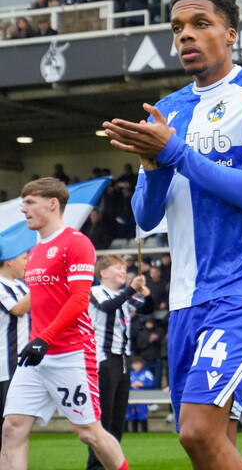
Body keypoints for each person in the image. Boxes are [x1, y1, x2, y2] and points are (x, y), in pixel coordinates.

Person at [102, 0, 242, 470]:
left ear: (230, 35)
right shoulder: (169, 109)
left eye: (199, 25)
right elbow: (147, 217)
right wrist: (152, 163)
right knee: (214, 440)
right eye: (177, 28)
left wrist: (176, 152)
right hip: (187, 295)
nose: (185, 36)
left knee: (196, 432)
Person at [2, 178, 130, 470]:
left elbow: (79, 299)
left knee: (89, 432)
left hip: (71, 352)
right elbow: (40, 301)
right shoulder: (33, 253)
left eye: (30, 202)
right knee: (12, 427)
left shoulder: (76, 243)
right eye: (23, 203)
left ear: (53, 204)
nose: (23, 209)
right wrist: (39, 339)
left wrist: (44, 337)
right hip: (35, 355)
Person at [86, 255, 153, 470]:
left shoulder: (125, 296)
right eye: (118, 268)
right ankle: (96, 465)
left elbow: (147, 309)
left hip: (123, 359)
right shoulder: (96, 292)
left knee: (117, 416)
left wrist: (146, 295)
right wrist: (131, 290)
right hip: (103, 359)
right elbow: (107, 307)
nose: (123, 272)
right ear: (103, 273)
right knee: (103, 417)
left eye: (125, 269)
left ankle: (112, 462)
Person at [0, 251, 29, 449]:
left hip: (19, 364)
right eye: (24, 258)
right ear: (10, 260)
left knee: (15, 426)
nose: (27, 263)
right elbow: (17, 309)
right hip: (4, 365)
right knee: (6, 425)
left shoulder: (20, 286)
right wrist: (40, 283)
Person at [125, 357, 155, 433]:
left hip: (143, 399)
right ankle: (133, 431)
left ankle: (144, 431)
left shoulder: (146, 373)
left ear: (142, 365)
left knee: (142, 415)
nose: (137, 366)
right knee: (131, 415)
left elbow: (152, 383)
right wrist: (131, 385)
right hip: (131, 399)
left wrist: (143, 384)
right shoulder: (130, 374)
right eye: (135, 364)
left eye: (138, 364)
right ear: (132, 365)